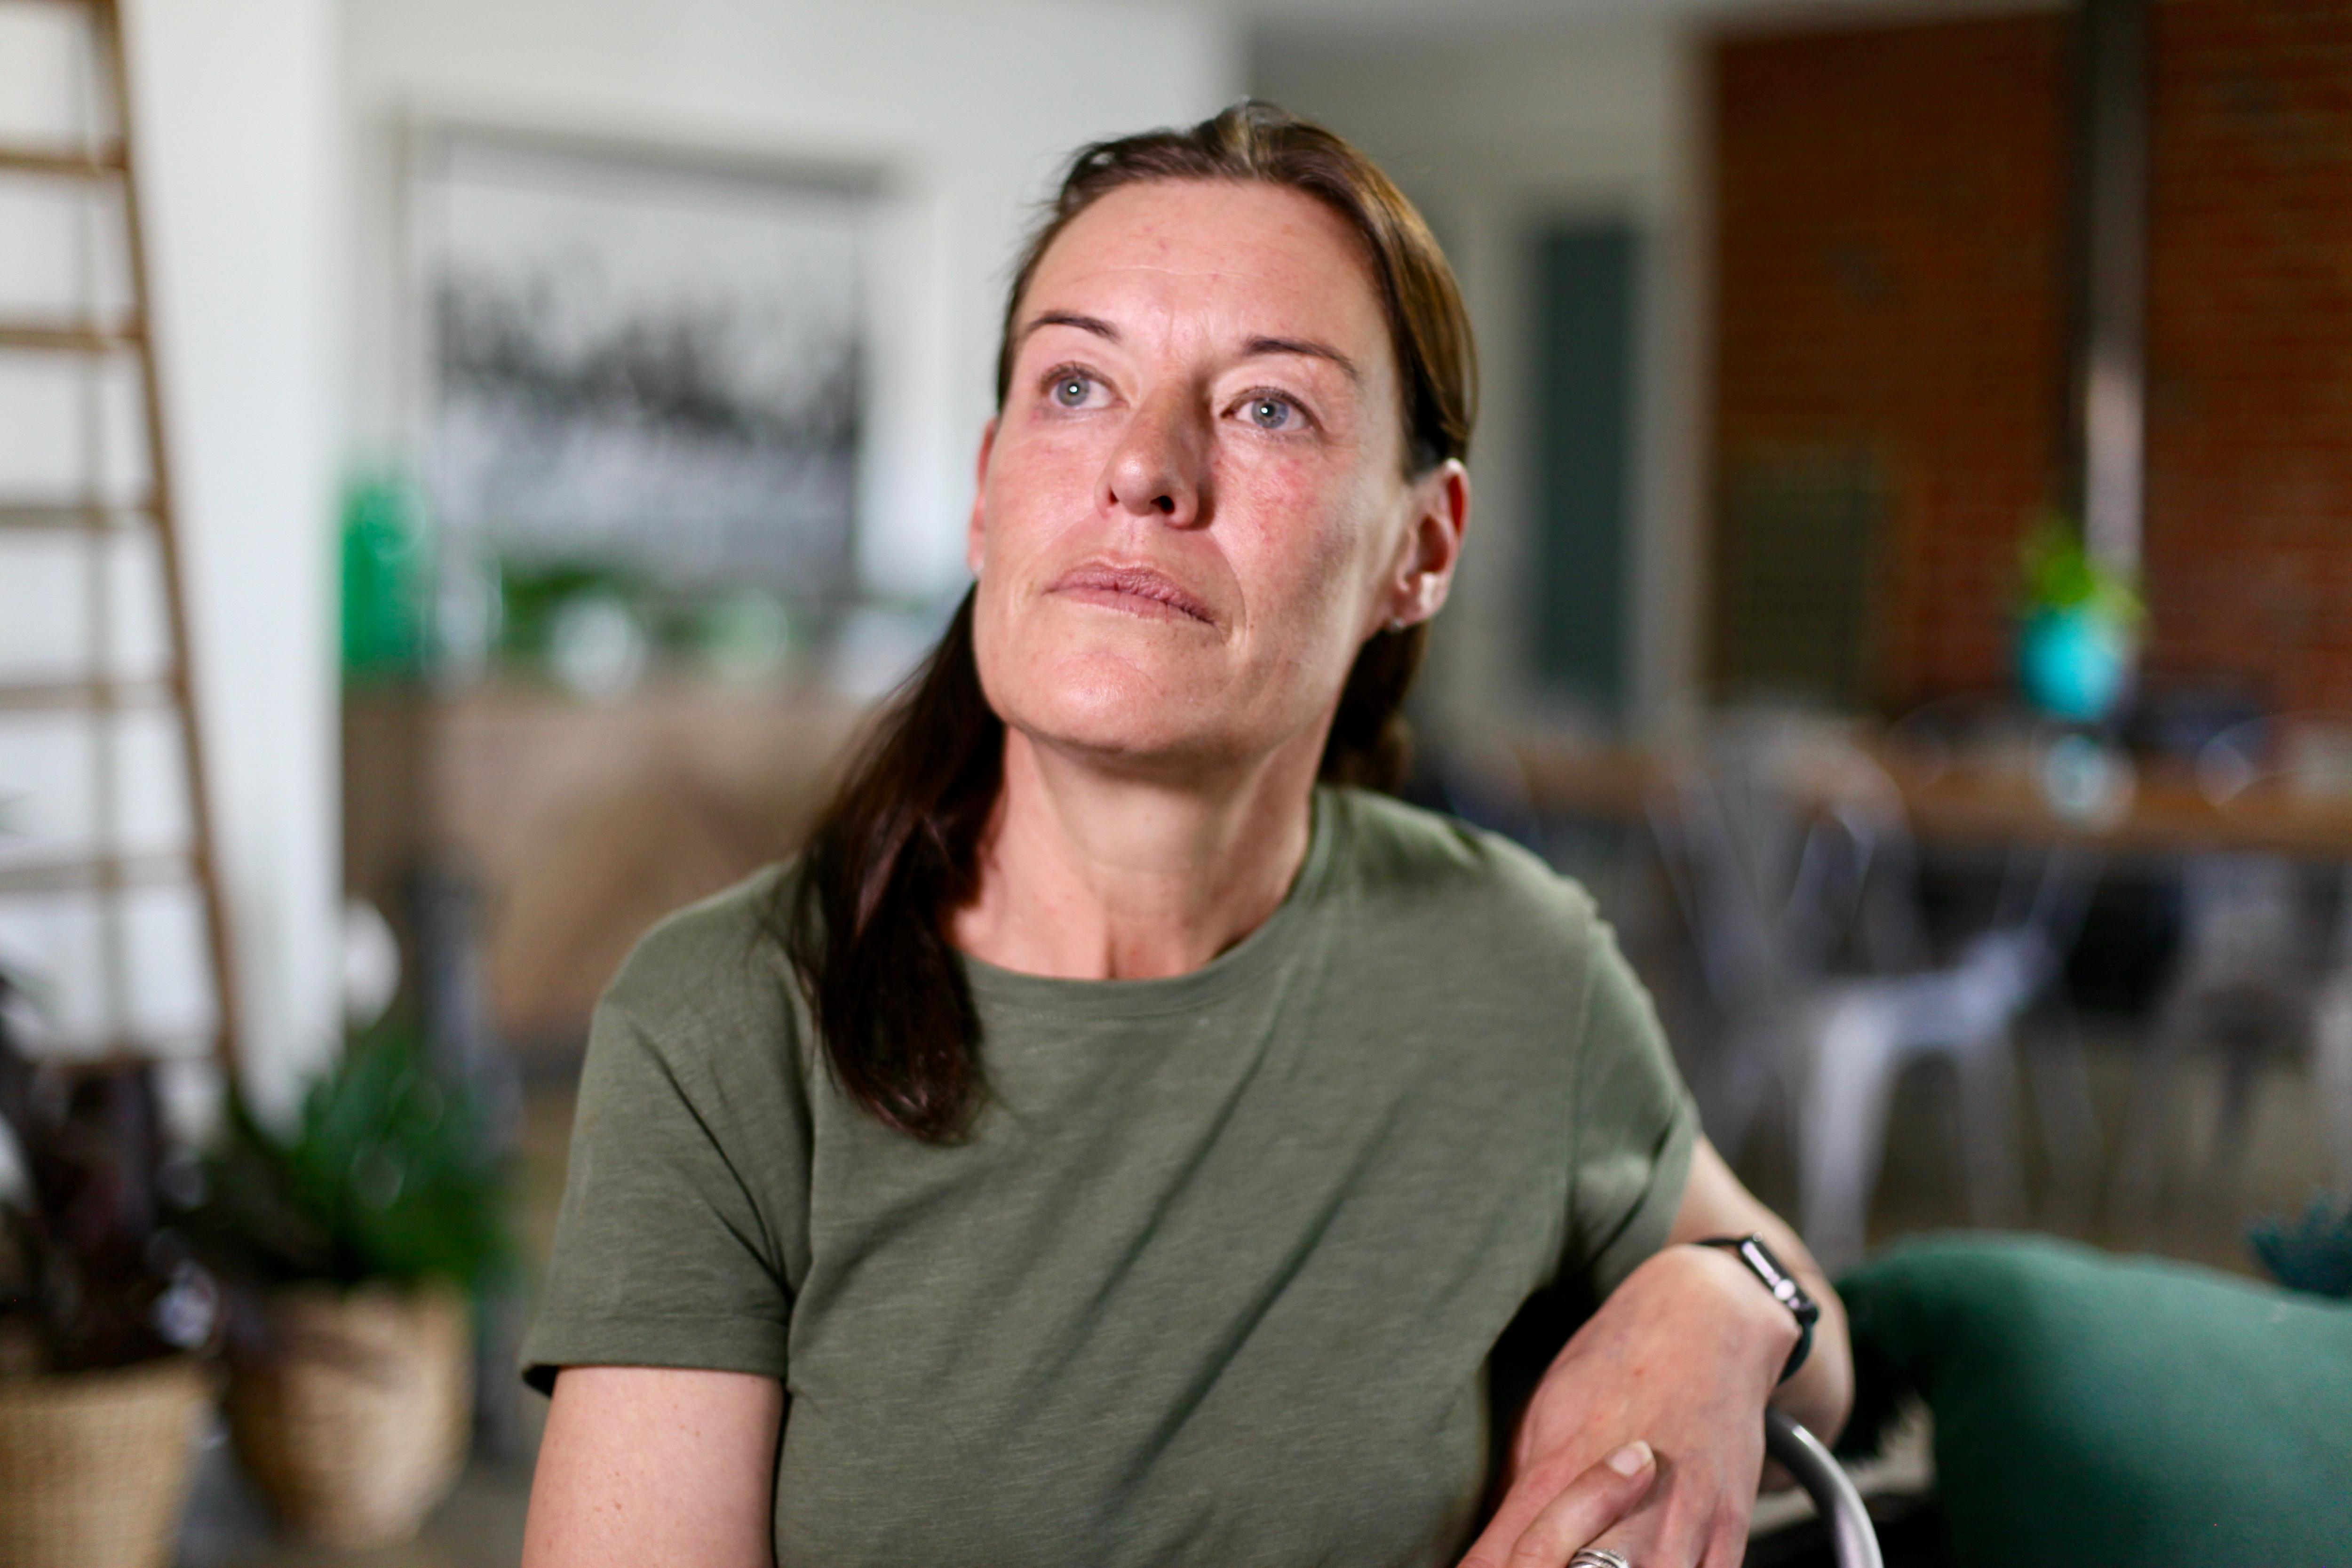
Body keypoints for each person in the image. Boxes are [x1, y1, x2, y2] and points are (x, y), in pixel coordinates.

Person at [519, 102, 1851, 1568]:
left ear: (1423, 547)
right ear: (987, 492)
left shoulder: (1514, 962)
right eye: (1078, 384)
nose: (1145, 468)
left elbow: (1807, 1325)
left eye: (1268, 407)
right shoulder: (729, 1023)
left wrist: (1726, 1305)